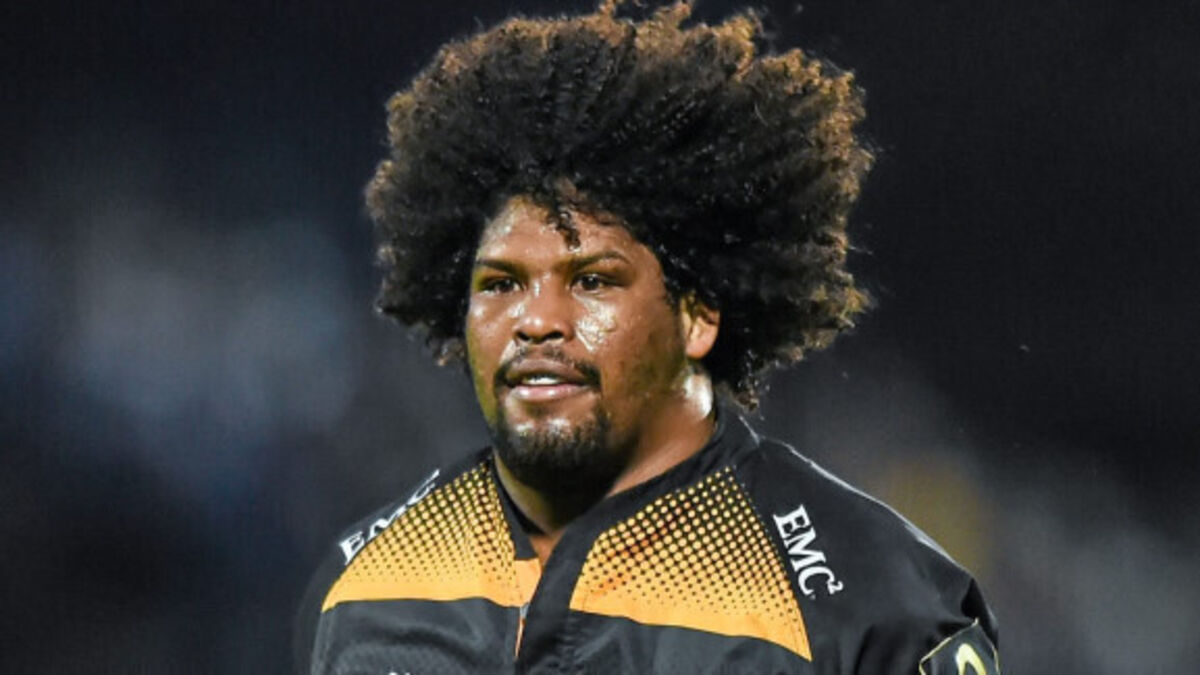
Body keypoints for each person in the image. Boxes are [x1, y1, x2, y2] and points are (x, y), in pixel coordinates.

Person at [296, 2, 1000, 672]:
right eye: (501, 283)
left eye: (592, 281)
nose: (536, 320)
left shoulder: (875, 604)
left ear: (697, 316)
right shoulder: (362, 588)